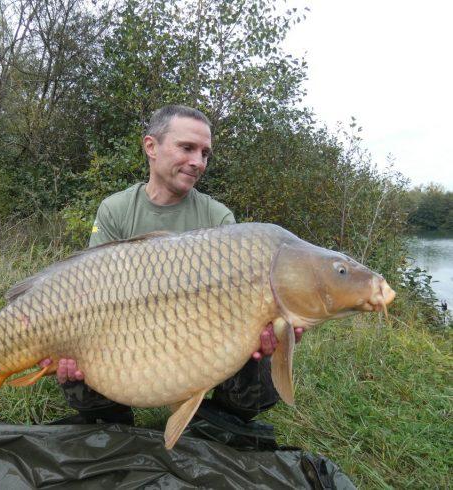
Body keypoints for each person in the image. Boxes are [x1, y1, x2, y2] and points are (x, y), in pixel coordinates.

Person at [41, 105, 303, 434]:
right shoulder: (116, 210)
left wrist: (268, 330)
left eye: (205, 153)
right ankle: (112, 421)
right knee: (73, 363)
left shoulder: (218, 218)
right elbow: (89, 291)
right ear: (151, 147)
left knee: (256, 361)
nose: (199, 161)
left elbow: (242, 303)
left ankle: (217, 417)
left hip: (198, 338)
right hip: (124, 334)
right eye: (187, 148)